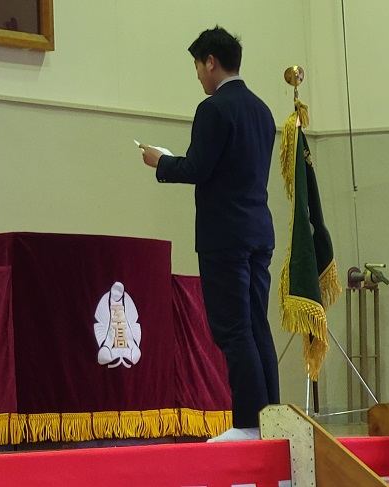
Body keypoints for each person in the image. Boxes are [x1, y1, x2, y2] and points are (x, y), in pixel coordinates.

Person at [140, 26, 279, 441]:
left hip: (226, 237)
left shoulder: (213, 109)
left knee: (233, 329)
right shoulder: (262, 110)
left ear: (211, 62)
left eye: (198, 66)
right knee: (257, 327)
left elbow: (198, 168)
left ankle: (248, 425)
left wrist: (161, 162)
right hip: (259, 231)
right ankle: (271, 422)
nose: (198, 75)